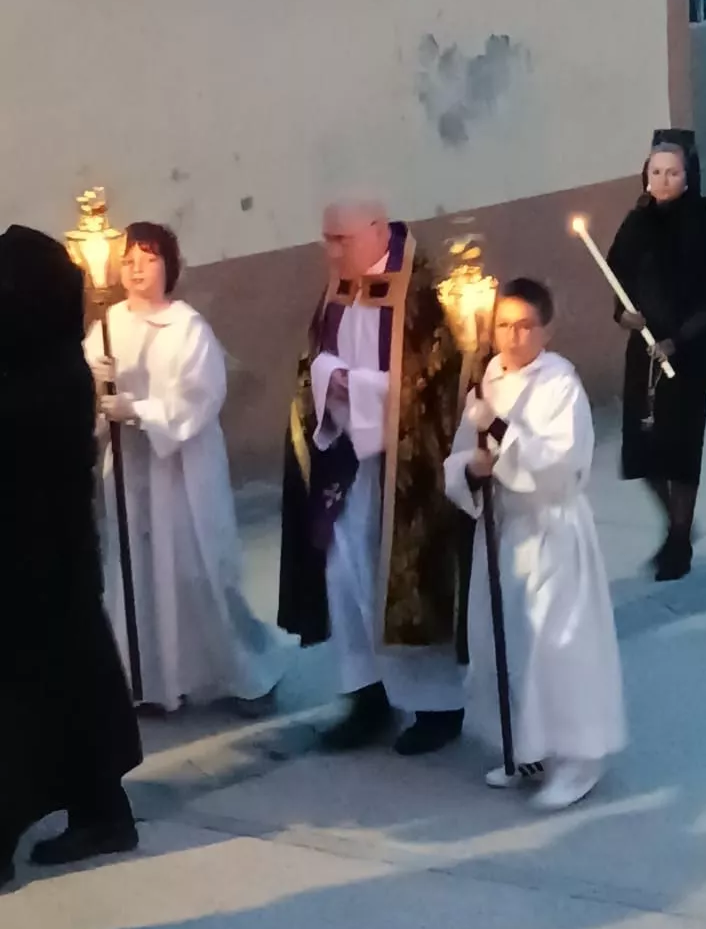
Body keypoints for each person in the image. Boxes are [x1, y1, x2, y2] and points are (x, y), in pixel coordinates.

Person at [279, 199, 466, 753]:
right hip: (349, 460)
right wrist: (330, 381)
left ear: (379, 230)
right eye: (326, 238)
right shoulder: (339, 287)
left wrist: (356, 390)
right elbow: (314, 356)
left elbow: (432, 381)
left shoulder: (422, 295)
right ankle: (368, 695)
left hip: (409, 469)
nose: (331, 251)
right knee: (346, 574)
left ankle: (437, 707)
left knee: (404, 579)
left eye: (342, 239)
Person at [85, 222, 288, 716]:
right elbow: (86, 394)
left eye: (148, 258)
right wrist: (96, 389)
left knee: (198, 570)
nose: (136, 267)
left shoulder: (188, 328)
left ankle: (243, 673)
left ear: (168, 266)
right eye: (129, 258)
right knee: (137, 574)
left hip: (181, 473)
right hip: (131, 474)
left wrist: (137, 409)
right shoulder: (107, 326)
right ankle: (149, 683)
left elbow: (199, 399)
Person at [445, 278, 626, 810]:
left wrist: (497, 432)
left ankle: (578, 758)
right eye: (505, 324)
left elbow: (558, 461)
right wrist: (470, 468)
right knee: (510, 643)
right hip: (502, 530)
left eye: (526, 326)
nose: (514, 336)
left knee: (557, 644)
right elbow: (461, 455)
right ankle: (527, 750)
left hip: (550, 528)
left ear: (546, 328)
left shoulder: (560, 384)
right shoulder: (489, 379)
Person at [1, 227, 141, 884]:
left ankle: (87, 815)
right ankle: (100, 809)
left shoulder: (48, 377)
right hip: (43, 569)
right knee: (64, 697)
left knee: (37, 702)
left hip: (38, 569)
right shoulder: (41, 363)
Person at [607, 131, 706, 581]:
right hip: (643, 351)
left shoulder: (703, 226)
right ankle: (675, 524)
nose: (663, 180)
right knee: (643, 447)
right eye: (656, 171)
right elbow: (617, 278)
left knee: (681, 445)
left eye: (673, 173)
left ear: (688, 178)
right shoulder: (635, 223)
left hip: (688, 351)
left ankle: (679, 540)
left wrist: (676, 342)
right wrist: (622, 315)